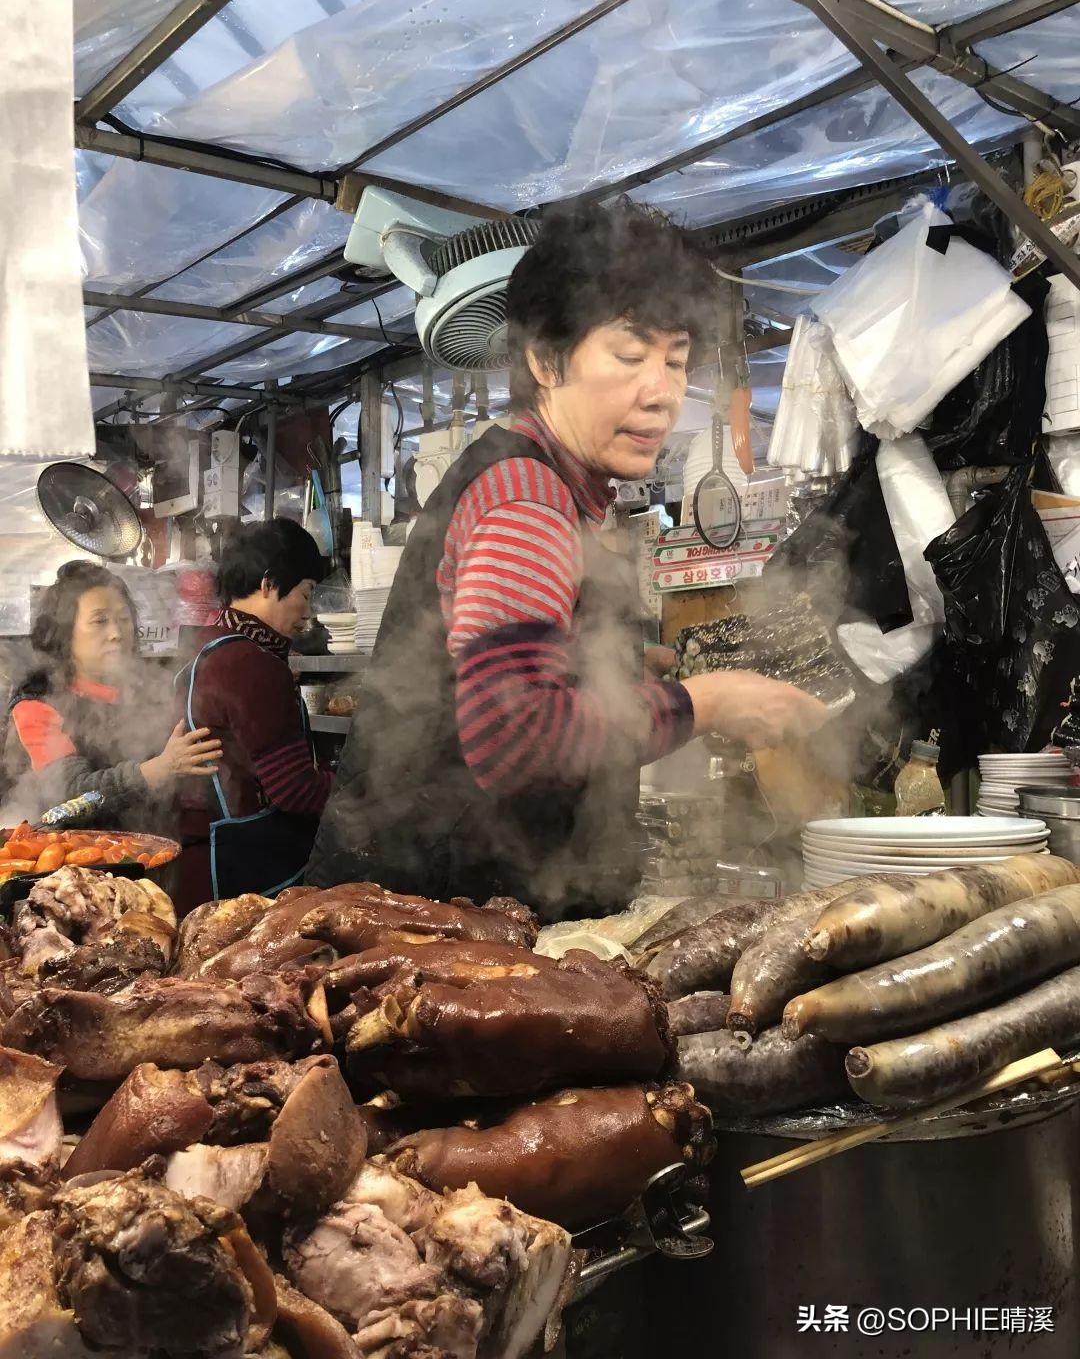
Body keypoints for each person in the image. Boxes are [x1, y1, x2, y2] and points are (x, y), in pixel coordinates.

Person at [306, 201, 828, 919]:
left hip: (435, 905)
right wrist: (709, 702)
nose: (664, 392)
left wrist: (596, 664)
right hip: (425, 926)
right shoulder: (527, 500)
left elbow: (496, 666)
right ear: (546, 359)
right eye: (629, 354)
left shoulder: (551, 482)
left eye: (676, 361)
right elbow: (515, 739)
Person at [176, 518, 328, 909]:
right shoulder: (253, 664)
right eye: (306, 592)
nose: (306, 611)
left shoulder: (209, 644)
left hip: (198, 867)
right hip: (247, 880)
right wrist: (363, 791)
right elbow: (295, 790)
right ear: (268, 583)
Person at [4, 561, 222, 830]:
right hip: (74, 860)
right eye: (100, 621)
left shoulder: (146, 688)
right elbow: (71, 793)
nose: (117, 634)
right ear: (64, 632)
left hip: (153, 851)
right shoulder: (38, 702)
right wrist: (159, 768)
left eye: (123, 618)